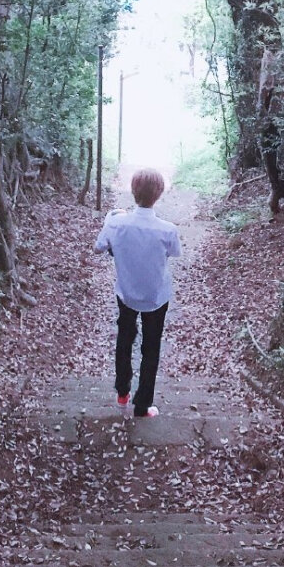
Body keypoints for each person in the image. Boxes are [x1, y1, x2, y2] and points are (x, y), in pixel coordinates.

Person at [93, 168, 182, 418]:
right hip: (156, 296)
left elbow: (99, 247)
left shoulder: (116, 223)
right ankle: (142, 405)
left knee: (125, 338)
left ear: (133, 191)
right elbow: (175, 253)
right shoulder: (167, 229)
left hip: (127, 293)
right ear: (159, 194)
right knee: (151, 347)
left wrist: (112, 216)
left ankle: (122, 391)